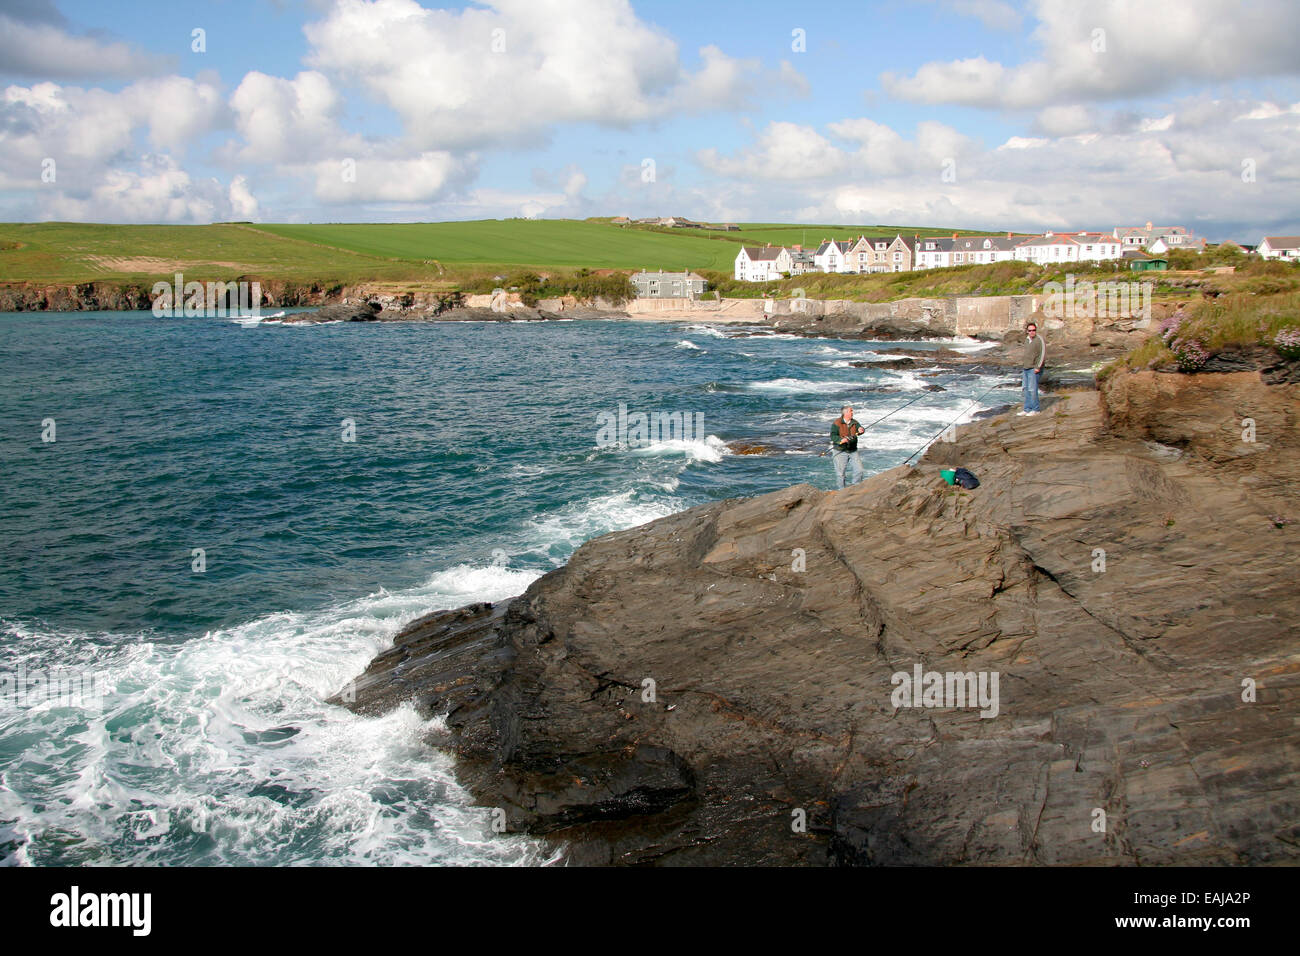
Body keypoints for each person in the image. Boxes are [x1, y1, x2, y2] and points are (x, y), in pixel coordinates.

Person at [829, 404, 865, 488]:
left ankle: (855, 487)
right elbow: (833, 436)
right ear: (845, 413)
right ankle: (842, 491)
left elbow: (860, 429)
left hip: (853, 450)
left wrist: (861, 430)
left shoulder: (854, 422)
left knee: (859, 470)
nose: (852, 412)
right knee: (840, 474)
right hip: (840, 450)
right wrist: (841, 440)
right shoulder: (836, 423)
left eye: (852, 411)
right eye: (851, 411)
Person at [1018, 322, 1046, 416]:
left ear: (1036, 330)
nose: (1032, 332)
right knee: (1026, 389)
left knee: (1032, 389)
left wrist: (1037, 367)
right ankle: (1027, 409)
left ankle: (1036, 409)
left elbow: (1042, 354)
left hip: (1034, 368)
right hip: (1026, 367)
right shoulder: (1027, 340)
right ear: (1027, 331)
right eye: (1030, 330)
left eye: (1034, 330)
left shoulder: (1039, 340)